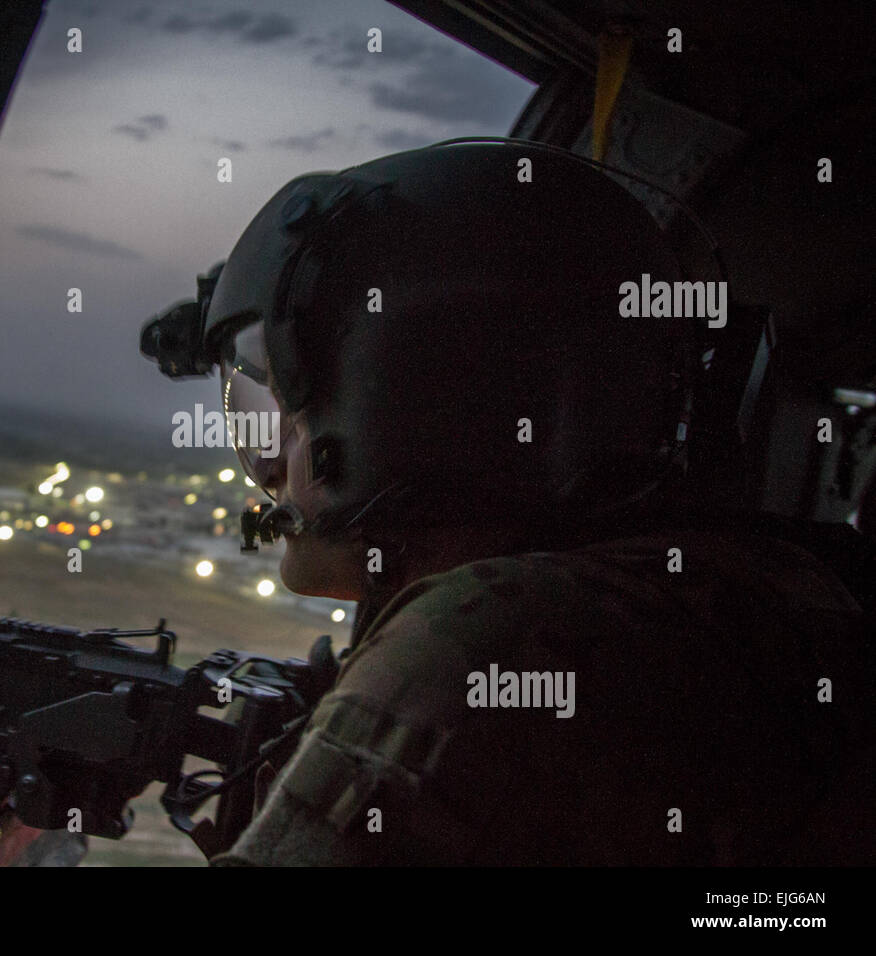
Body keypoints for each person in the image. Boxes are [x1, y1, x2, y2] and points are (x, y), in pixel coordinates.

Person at [141, 139, 876, 865]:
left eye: (278, 416)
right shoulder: (766, 586)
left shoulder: (495, 633)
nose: (268, 472)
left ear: (404, 399)